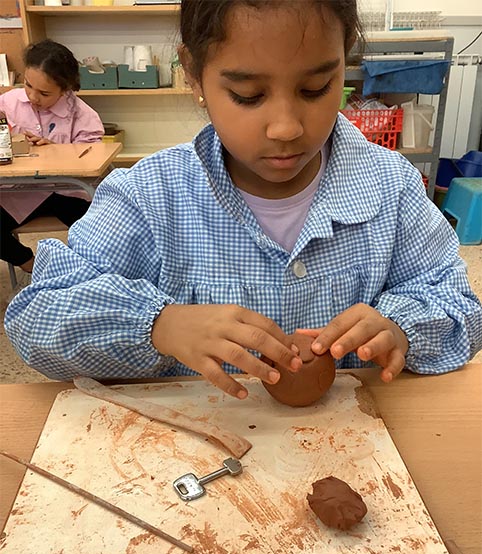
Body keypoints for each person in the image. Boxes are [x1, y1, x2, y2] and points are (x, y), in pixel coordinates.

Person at [5, 0, 482, 398]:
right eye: (248, 95)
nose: (286, 128)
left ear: (345, 59)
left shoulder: (391, 188)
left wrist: (400, 327)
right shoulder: (150, 197)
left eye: (316, 88)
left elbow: (461, 307)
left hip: (353, 448)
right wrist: (159, 325)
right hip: (199, 454)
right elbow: (36, 318)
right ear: (195, 75)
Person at [0, 39, 104, 280]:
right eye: (28, 85)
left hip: (65, 191)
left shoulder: (82, 114)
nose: (33, 97)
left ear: (65, 89)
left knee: (100, 229)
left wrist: (56, 149)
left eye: (44, 93)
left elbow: (93, 157)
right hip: (16, 193)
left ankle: (89, 272)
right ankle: (32, 265)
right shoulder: (8, 103)